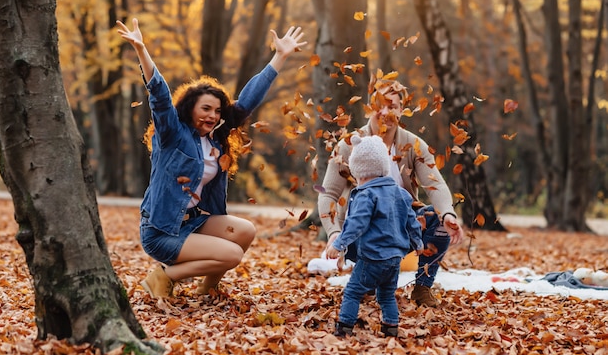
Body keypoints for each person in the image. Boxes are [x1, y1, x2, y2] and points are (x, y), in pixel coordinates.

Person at [117, 18, 307, 298]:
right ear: (190, 108)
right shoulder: (172, 133)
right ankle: (163, 276)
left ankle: (207, 289)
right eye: (206, 108)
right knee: (231, 254)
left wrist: (278, 57)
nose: (212, 116)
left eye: (217, 111)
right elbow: (158, 95)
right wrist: (142, 50)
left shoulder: (215, 138)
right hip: (161, 230)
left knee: (245, 231)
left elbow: (247, 102)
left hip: (191, 220)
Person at [318, 77, 465, 308]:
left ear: (402, 111)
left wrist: (448, 214)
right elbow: (328, 194)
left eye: (392, 106)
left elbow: (435, 184)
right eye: (379, 105)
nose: (385, 112)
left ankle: (422, 288)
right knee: (365, 286)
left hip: (401, 230)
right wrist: (334, 232)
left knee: (437, 221)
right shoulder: (348, 145)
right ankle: (366, 280)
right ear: (369, 108)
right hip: (359, 233)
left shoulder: (414, 145)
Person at [326, 135, 424, 338]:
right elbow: (412, 222)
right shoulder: (402, 194)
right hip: (395, 258)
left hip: (373, 256)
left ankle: (344, 328)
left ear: (357, 168)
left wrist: (339, 244)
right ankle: (391, 328)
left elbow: (356, 224)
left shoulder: (366, 195)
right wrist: (418, 243)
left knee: (353, 291)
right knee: (387, 294)